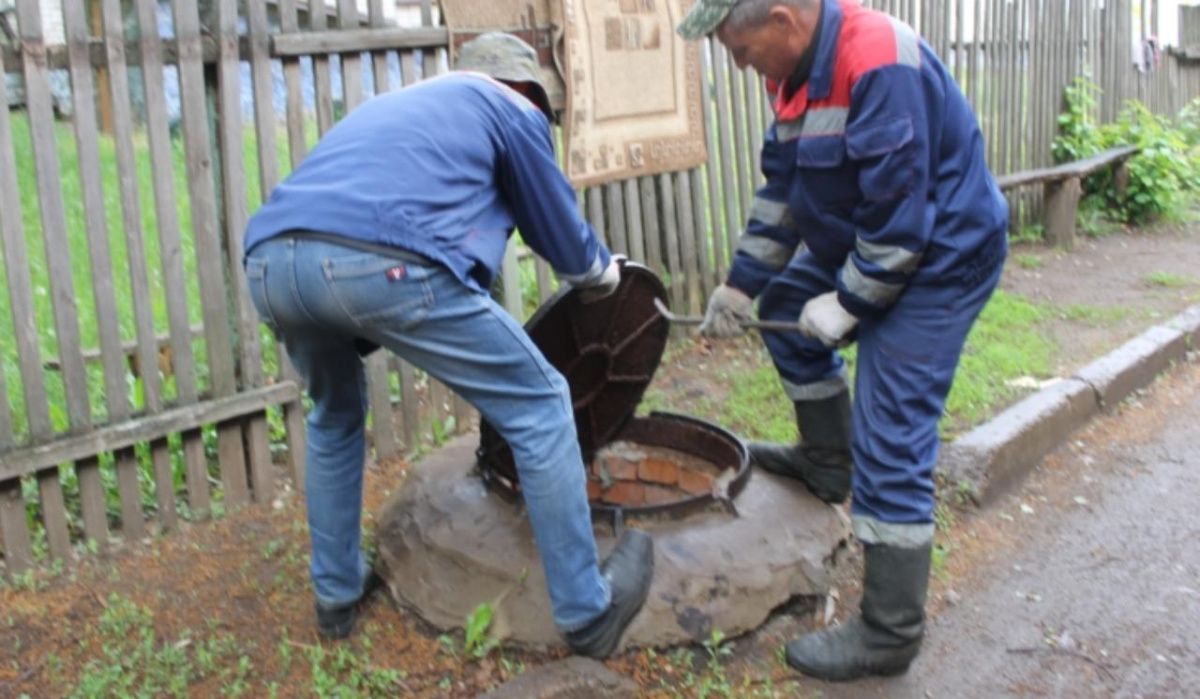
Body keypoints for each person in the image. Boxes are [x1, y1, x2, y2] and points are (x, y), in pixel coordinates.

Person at [241, 32, 653, 658]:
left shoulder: (404, 107)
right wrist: (604, 274)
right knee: (542, 404)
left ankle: (335, 595)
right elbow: (564, 240)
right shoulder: (511, 109)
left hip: (271, 263)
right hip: (378, 262)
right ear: (528, 90)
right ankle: (587, 612)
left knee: (334, 416)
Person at [677, 0, 1008, 681]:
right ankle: (829, 460)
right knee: (787, 305)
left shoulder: (877, 61)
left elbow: (900, 228)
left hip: (942, 254)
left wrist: (850, 303)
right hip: (870, 236)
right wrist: (741, 285)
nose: (739, 66)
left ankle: (889, 632)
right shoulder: (791, 72)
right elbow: (784, 192)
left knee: (892, 431)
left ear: (782, 19)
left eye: (740, 50)